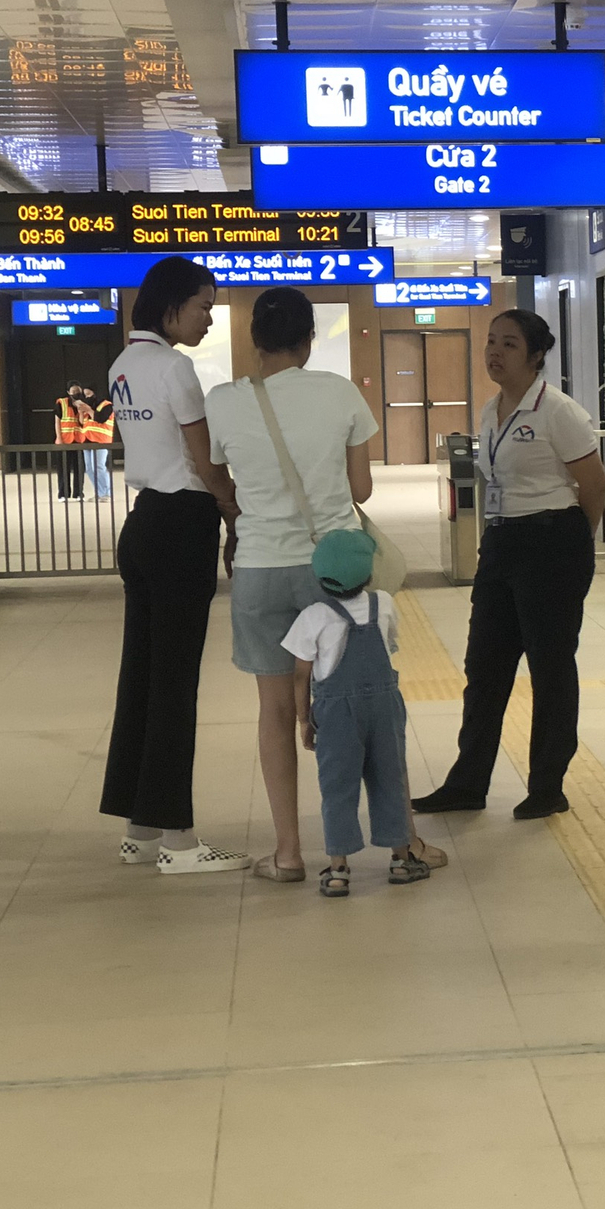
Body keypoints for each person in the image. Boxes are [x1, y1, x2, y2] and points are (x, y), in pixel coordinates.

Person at [203, 287, 396, 883]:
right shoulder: (340, 394)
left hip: (260, 568)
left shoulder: (224, 401)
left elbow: (219, 477)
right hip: (331, 571)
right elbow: (360, 490)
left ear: (254, 340)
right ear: (310, 339)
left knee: (274, 709)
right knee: (356, 704)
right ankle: (395, 839)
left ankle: (288, 852)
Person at [413, 309, 605, 820]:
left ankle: (548, 785)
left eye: (509, 345)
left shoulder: (558, 411)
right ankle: (467, 782)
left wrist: (575, 542)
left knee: (550, 667)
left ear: (537, 355)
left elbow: (594, 484)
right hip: (501, 543)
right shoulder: (490, 410)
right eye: (490, 343)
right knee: (484, 668)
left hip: (551, 541)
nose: (494, 353)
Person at [100, 256, 251, 875]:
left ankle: (140, 828)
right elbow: (204, 460)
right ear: (170, 310)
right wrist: (237, 513)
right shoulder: (175, 368)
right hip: (181, 525)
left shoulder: (122, 365)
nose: (209, 318)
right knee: (175, 684)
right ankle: (181, 842)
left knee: (142, 675)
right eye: (203, 307)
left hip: (142, 526)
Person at [287, 529, 431, 898]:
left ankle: (338, 871)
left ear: (319, 576)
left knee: (337, 787)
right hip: (384, 707)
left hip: (336, 715)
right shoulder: (382, 603)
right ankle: (400, 859)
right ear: (369, 575)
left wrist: (305, 720)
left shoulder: (313, 616)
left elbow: (301, 674)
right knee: (390, 779)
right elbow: (391, 645)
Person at [54, 381, 91, 500]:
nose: (76, 393)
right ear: (68, 392)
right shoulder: (61, 402)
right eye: (74, 391)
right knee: (63, 468)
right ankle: (63, 494)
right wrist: (59, 438)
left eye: (78, 391)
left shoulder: (84, 403)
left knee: (79, 468)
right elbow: (57, 421)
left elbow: (82, 422)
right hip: (64, 440)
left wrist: (81, 410)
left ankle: (78, 493)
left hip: (79, 440)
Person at [79, 383, 114, 499]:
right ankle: (99, 493)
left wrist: (88, 410)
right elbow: (82, 422)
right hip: (87, 440)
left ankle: (106, 493)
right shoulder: (87, 407)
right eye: (85, 395)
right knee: (89, 469)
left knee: (98, 467)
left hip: (101, 440)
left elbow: (100, 419)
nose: (87, 397)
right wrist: (81, 412)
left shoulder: (107, 405)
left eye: (88, 393)